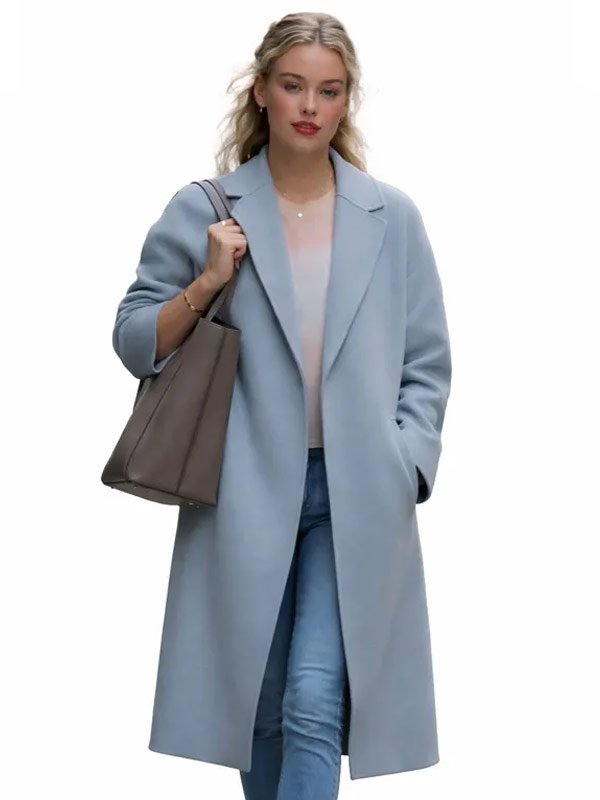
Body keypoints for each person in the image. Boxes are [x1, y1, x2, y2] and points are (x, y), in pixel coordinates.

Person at [111, 10, 452, 800]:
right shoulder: (206, 209)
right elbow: (133, 340)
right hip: (242, 489)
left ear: (346, 100)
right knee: (259, 709)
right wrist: (207, 281)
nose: (309, 105)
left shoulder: (390, 216)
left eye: (329, 91)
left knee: (314, 697)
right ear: (261, 90)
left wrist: (408, 461)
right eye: (293, 85)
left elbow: (426, 359)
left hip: (358, 492)